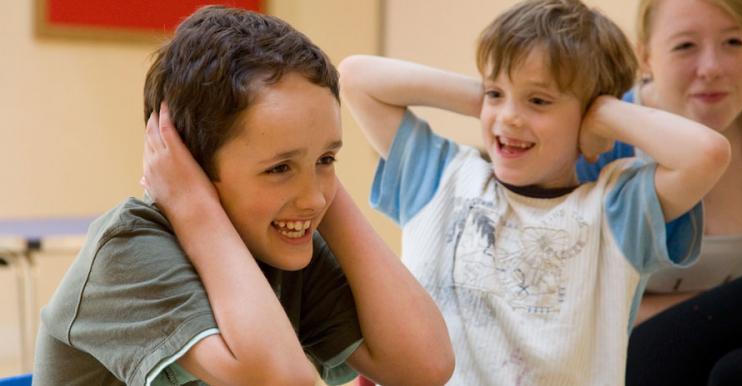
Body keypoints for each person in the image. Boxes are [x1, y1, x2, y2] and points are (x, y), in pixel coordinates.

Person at [32, 6, 454, 386]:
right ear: (190, 166)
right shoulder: (129, 251)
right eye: (279, 168)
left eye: (327, 159)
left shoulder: (282, 247)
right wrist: (195, 208)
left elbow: (426, 366)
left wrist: (325, 189)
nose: (312, 199)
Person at [338, 0, 732, 384]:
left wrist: (602, 116)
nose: (508, 116)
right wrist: (487, 95)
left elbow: (707, 153)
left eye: (539, 100)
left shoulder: (617, 211)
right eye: (496, 94)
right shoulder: (443, 176)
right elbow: (356, 77)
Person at [575, 0, 742, 384]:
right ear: (646, 57)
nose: (712, 68)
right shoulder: (597, 145)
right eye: (685, 46)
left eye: (734, 42)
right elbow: (565, 311)